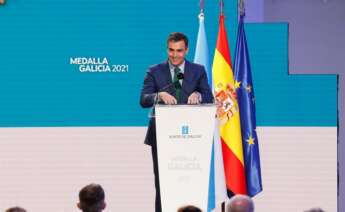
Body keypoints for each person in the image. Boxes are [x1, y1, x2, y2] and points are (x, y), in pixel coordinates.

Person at [140, 32, 213, 212]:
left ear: (186, 50)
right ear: (167, 49)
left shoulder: (198, 70)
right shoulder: (154, 71)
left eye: (179, 51)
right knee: (163, 184)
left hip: (192, 137)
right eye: (171, 50)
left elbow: (209, 96)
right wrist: (159, 95)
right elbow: (143, 100)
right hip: (162, 137)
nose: (174, 55)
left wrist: (199, 95)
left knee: (191, 183)